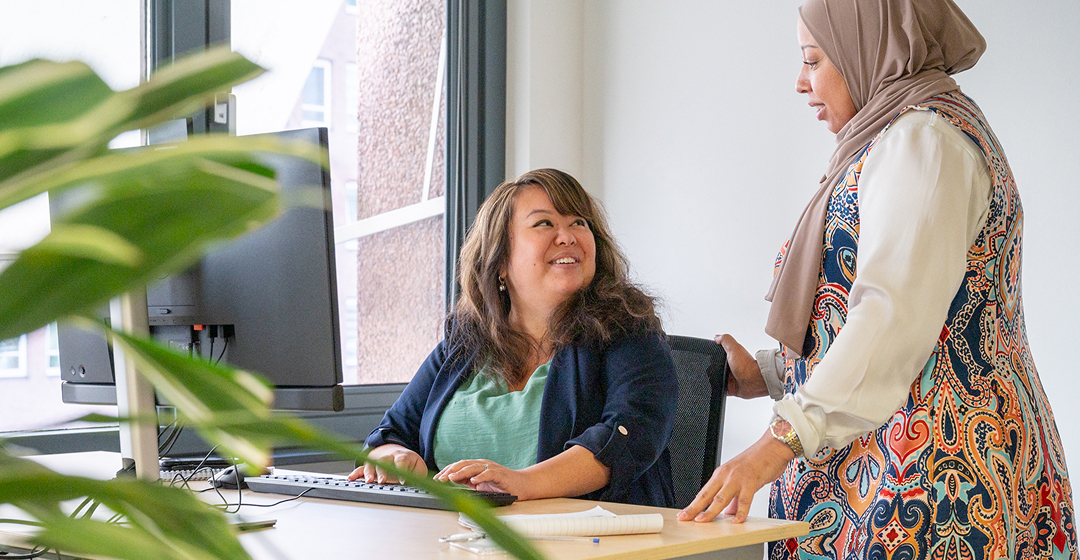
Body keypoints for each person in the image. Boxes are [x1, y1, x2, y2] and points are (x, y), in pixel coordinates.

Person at [679, 0, 1077, 558]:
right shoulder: (892, 138)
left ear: (865, 49)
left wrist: (779, 441)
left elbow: (892, 318)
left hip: (934, 473)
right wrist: (770, 374)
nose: (800, 82)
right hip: (887, 458)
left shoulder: (926, 141)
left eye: (813, 60)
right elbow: (883, 312)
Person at [348, 168, 678, 507]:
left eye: (579, 222)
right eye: (544, 224)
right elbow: (392, 433)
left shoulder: (629, 328)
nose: (568, 236)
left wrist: (521, 483)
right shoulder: (466, 341)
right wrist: (394, 456)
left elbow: (627, 438)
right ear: (501, 260)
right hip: (458, 540)